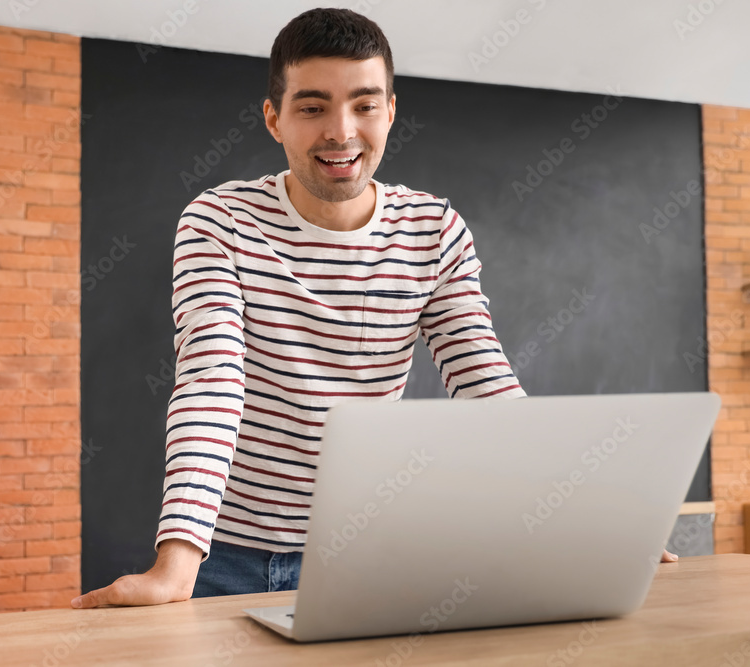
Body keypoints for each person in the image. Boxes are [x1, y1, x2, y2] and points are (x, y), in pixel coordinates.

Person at [71, 8, 676, 610]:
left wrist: (596, 520)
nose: (340, 131)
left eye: (363, 104)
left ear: (390, 111)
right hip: (222, 556)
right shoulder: (220, 222)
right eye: (312, 107)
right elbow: (212, 382)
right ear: (273, 119)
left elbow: (483, 382)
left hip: (360, 554)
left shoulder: (434, 230)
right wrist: (176, 567)